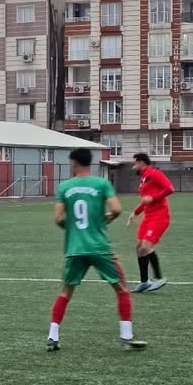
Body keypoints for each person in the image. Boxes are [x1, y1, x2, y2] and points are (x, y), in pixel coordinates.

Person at [49, 148, 147, 351]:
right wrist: (106, 218)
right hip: (100, 248)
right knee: (121, 288)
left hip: (75, 248)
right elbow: (117, 209)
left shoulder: (65, 186)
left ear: (74, 163)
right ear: (90, 163)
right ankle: (126, 336)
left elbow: (58, 218)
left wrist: (74, 229)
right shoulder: (102, 183)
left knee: (66, 291)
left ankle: (53, 336)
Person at [127, 153, 174, 293]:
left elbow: (170, 189)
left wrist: (153, 198)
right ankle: (144, 282)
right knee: (139, 247)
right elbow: (145, 200)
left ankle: (158, 278)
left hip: (159, 217)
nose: (133, 166)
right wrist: (135, 212)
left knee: (145, 248)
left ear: (142, 163)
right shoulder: (143, 179)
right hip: (148, 217)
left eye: (135, 163)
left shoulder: (155, 174)